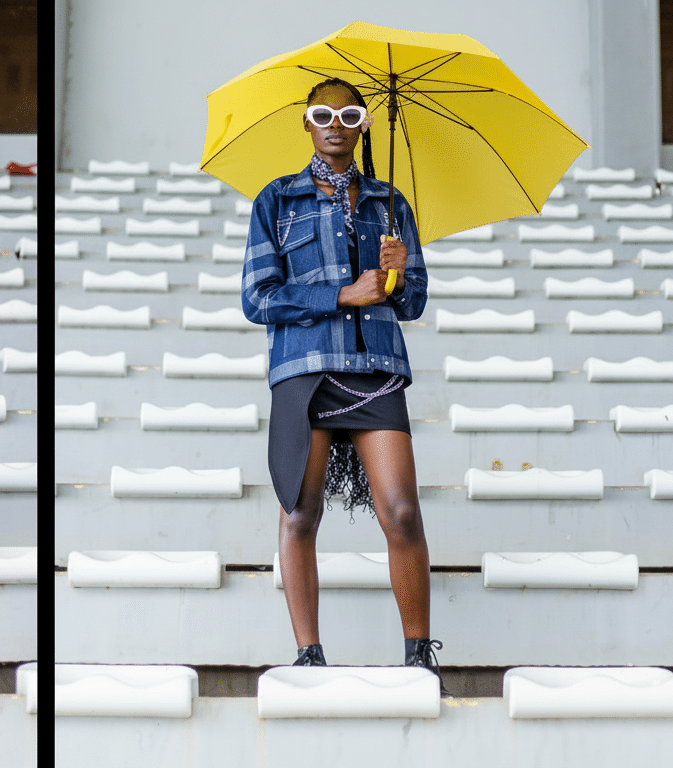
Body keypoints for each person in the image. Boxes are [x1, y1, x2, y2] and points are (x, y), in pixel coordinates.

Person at [241, 78, 447, 693]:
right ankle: (309, 655)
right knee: (301, 512)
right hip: (304, 371)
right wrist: (341, 294)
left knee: (401, 510)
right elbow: (257, 298)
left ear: (363, 124)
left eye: (349, 114)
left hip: (375, 368)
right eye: (322, 113)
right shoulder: (277, 200)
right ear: (307, 123)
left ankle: (419, 656)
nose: (335, 123)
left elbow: (412, 303)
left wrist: (399, 276)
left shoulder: (390, 203)